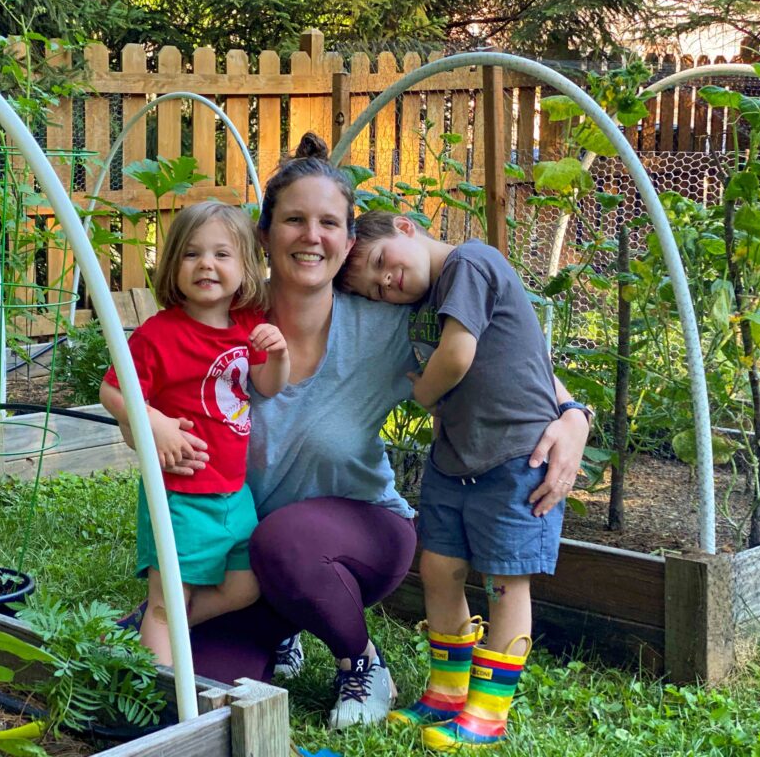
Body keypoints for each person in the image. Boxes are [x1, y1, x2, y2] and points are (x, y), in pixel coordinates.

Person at [107, 134, 590, 730]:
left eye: (328, 222)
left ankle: (360, 660)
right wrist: (145, 425)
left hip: (360, 534)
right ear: (264, 235)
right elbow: (142, 401)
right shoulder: (219, 329)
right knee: (204, 675)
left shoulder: (384, 324)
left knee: (284, 542)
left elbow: (502, 361)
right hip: (240, 551)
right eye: (294, 220)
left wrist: (573, 415)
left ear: (347, 240)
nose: (312, 236)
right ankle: (273, 625)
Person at [336, 210, 593, 749]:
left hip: (516, 455)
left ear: (406, 227)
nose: (387, 283)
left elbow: (456, 356)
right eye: (377, 291)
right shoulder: (430, 300)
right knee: (438, 568)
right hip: (455, 459)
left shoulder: (469, 262)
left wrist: (424, 392)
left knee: (505, 581)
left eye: (382, 263)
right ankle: (447, 692)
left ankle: (487, 711)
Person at [99, 201, 289, 665]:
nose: (206, 264)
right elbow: (111, 391)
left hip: (233, 492)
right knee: (168, 602)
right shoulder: (157, 335)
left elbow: (266, 385)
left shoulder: (247, 327)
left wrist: (280, 355)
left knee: (244, 586)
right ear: (172, 267)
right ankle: (160, 690)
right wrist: (154, 421)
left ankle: (151, 628)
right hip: (178, 493)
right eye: (191, 254)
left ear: (245, 268)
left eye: (222, 255)